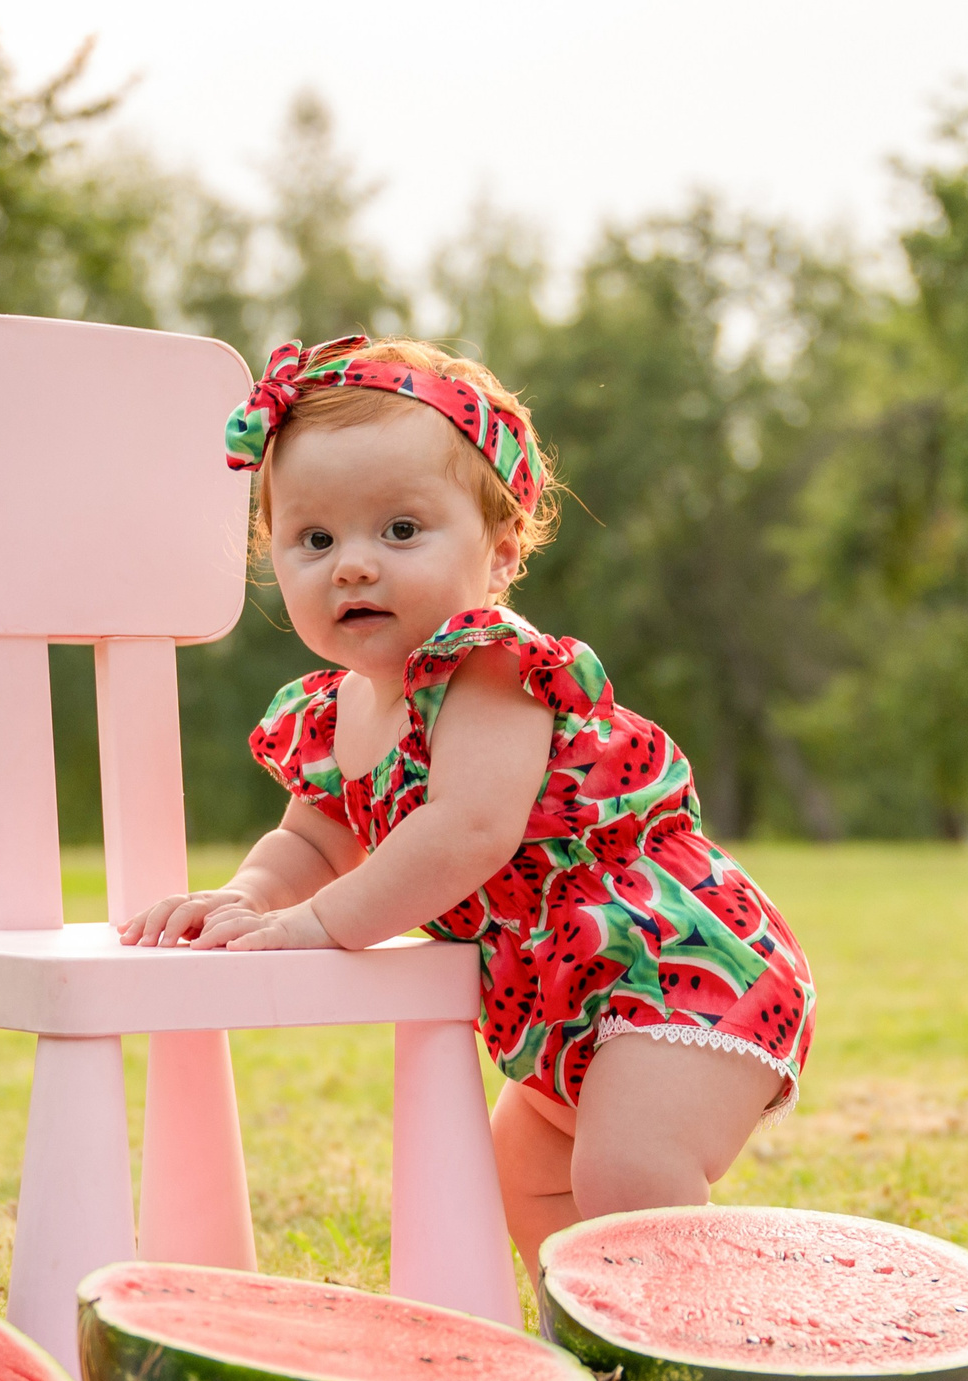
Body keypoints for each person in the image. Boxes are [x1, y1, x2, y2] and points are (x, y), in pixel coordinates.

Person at [119, 335, 815, 1287]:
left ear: (497, 555)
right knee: (524, 1180)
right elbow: (308, 840)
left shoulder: (488, 667)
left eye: (400, 531)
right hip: (563, 1017)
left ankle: (712, 1346)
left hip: (673, 967)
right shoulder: (332, 717)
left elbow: (469, 830)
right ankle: (607, 1352)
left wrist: (321, 927)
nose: (353, 567)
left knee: (625, 1175)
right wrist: (248, 902)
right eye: (315, 539)